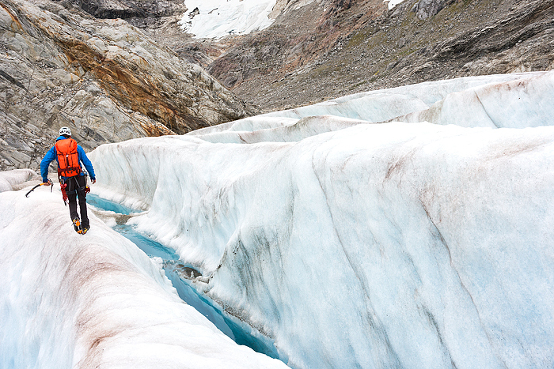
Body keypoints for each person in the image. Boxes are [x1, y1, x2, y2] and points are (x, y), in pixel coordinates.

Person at [40, 127, 96, 234]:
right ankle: (85, 224)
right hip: (79, 178)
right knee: (82, 201)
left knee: (72, 201)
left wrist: (44, 178)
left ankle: (75, 219)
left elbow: (44, 163)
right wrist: (92, 176)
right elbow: (87, 162)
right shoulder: (76, 147)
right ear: (69, 136)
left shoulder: (55, 148)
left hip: (67, 180)